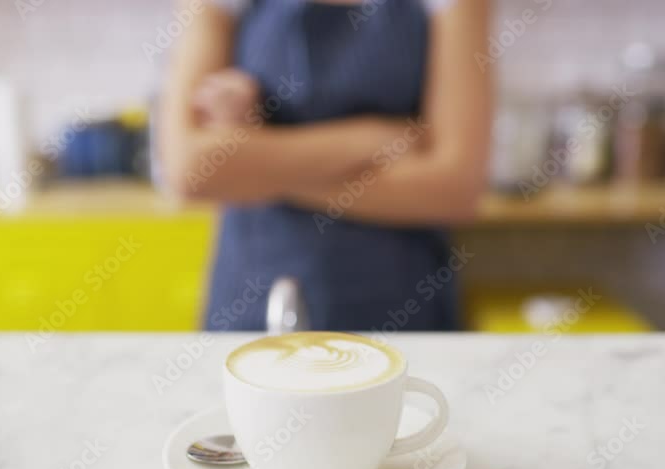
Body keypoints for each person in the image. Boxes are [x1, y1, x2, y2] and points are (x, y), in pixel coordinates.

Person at [159, 0, 493, 331]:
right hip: (252, 301)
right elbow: (188, 168)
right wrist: (369, 140)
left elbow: (456, 187)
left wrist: (251, 161)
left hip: (404, 306)